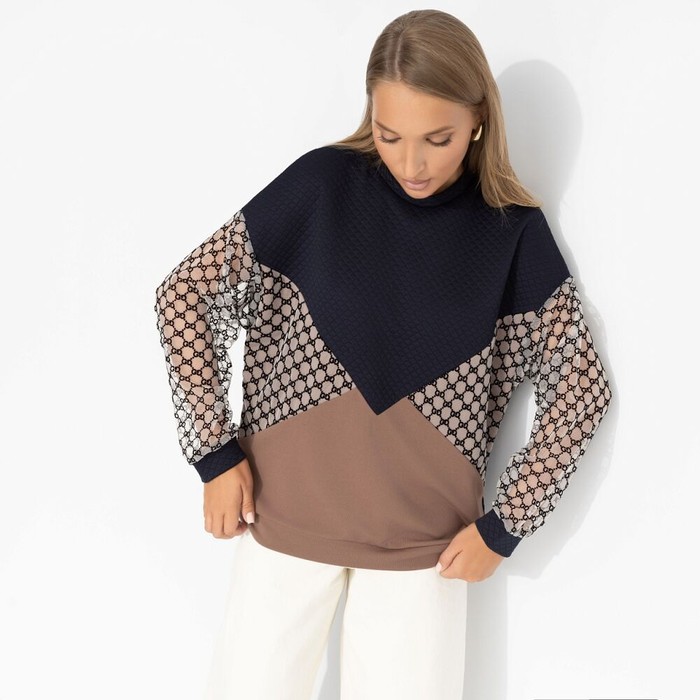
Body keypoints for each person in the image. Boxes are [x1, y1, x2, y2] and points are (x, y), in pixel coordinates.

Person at [153, 9, 613, 700]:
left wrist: (506, 526)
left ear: (478, 120)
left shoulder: (511, 234)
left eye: (437, 139)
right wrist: (214, 456)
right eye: (390, 134)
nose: (411, 164)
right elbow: (184, 294)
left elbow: (581, 390)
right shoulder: (321, 186)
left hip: (424, 552)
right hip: (281, 521)